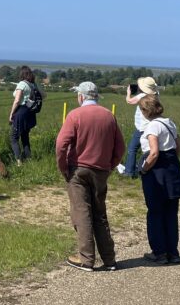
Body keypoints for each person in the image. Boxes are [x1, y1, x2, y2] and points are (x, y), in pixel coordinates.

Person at [55, 81, 124, 272]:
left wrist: (63, 167)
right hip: (101, 170)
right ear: (96, 97)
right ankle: (109, 259)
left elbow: (61, 144)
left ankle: (86, 258)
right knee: (99, 214)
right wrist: (111, 165)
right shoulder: (109, 116)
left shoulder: (75, 115)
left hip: (78, 170)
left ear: (80, 96)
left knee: (82, 212)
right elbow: (120, 147)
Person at [138, 95, 180, 265]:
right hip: (172, 170)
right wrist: (171, 160)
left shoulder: (152, 127)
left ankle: (159, 252)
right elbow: (179, 145)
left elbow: (153, 152)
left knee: (155, 212)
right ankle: (173, 252)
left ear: (145, 111)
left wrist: (144, 168)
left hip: (156, 172)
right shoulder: (169, 123)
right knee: (171, 213)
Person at [122, 76, 159, 177]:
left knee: (132, 149)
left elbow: (129, 101)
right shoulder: (156, 95)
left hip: (142, 127)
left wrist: (128, 92)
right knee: (149, 150)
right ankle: (148, 170)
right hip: (152, 126)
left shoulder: (142, 96)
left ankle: (129, 172)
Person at [8, 66, 40, 165]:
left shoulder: (22, 84)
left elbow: (17, 100)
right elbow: (43, 95)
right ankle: (28, 159)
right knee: (25, 137)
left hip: (21, 112)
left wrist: (11, 114)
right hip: (30, 113)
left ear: (22, 74)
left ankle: (19, 161)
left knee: (13, 137)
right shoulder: (33, 84)